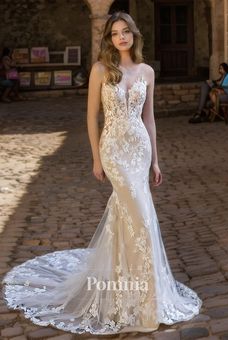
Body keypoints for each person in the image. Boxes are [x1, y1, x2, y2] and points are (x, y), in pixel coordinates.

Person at [2, 12, 202, 335]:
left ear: (134, 35)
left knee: (133, 216)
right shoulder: (100, 70)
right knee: (138, 213)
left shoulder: (147, 72)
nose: (121, 37)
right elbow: (91, 118)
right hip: (113, 151)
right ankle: (138, 297)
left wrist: (156, 161)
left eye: (126, 32)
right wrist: (97, 158)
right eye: (114, 33)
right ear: (109, 39)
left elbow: (149, 118)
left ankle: (140, 297)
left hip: (139, 150)